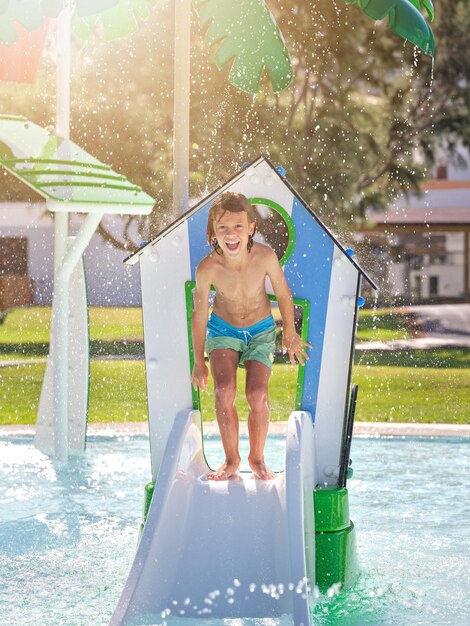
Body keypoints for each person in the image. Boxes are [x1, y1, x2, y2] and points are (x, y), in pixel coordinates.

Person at [191, 191, 311, 481]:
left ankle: (256, 458)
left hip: (260, 331)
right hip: (223, 330)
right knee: (223, 391)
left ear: (251, 228)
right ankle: (232, 460)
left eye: (238, 226)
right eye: (223, 228)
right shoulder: (208, 268)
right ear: (212, 233)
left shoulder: (265, 257)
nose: (231, 234)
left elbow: (283, 294)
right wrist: (199, 360)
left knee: (257, 394)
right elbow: (199, 315)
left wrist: (290, 333)